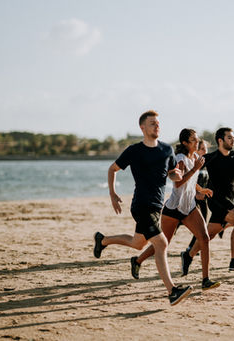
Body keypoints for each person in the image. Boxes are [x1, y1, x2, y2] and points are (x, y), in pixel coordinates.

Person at [93, 110, 192, 306]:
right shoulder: (134, 150)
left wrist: (177, 175)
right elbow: (112, 169)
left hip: (157, 206)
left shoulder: (166, 150)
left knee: (138, 243)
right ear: (142, 127)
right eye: (152, 123)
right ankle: (172, 291)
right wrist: (112, 194)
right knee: (161, 243)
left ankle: (102, 240)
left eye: (158, 123)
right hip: (141, 205)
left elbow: (172, 173)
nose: (157, 126)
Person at [130, 129, 220, 291]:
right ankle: (137, 261)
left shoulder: (195, 158)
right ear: (185, 143)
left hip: (189, 207)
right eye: (193, 140)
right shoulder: (180, 159)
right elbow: (178, 183)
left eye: (197, 139)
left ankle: (205, 279)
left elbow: (190, 182)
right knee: (163, 243)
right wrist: (195, 169)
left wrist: (201, 190)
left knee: (204, 238)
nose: (196, 142)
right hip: (173, 209)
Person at [181, 127, 234, 274]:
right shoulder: (211, 158)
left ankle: (188, 255)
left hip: (228, 198)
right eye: (229, 137)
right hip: (215, 198)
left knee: (209, 234)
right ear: (220, 140)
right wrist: (198, 190)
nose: (233, 140)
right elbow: (191, 173)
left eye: (233, 138)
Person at [186, 139, 210, 253]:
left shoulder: (206, 164)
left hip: (203, 199)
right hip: (192, 199)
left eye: (206, 148)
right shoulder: (195, 163)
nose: (205, 151)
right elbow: (188, 180)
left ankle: (192, 246)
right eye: (202, 149)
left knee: (202, 224)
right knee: (177, 224)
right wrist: (196, 193)